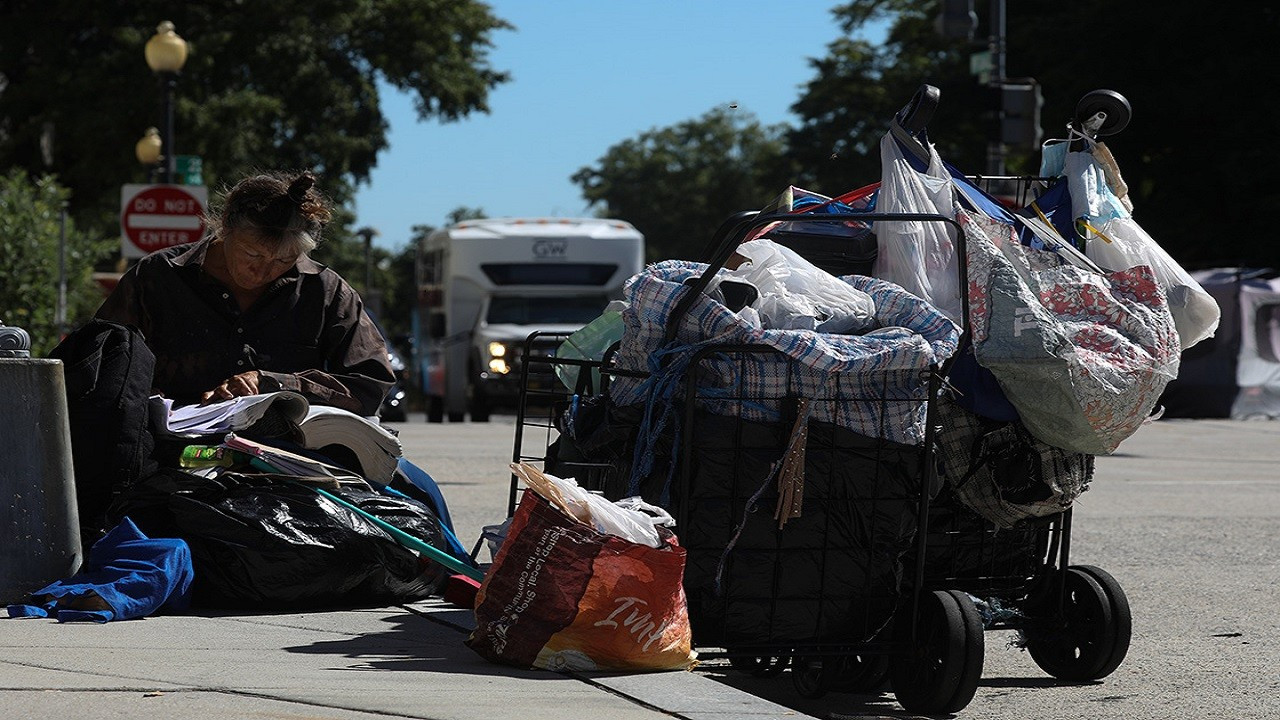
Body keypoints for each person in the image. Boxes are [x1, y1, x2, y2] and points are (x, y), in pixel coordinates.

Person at [96, 170, 394, 417]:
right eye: (252, 254)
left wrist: (275, 384)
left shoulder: (327, 292)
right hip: (165, 457)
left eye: (283, 261)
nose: (262, 272)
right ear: (226, 225)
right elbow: (97, 365)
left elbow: (370, 384)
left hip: (287, 460)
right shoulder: (158, 277)